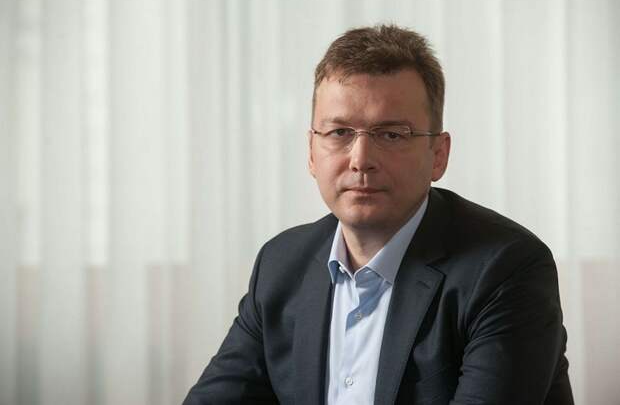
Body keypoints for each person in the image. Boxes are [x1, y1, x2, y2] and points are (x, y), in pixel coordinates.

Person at [183, 24, 574, 405]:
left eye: (392, 134)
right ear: (311, 152)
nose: (361, 160)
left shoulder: (506, 269)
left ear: (438, 155)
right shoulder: (281, 264)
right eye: (339, 133)